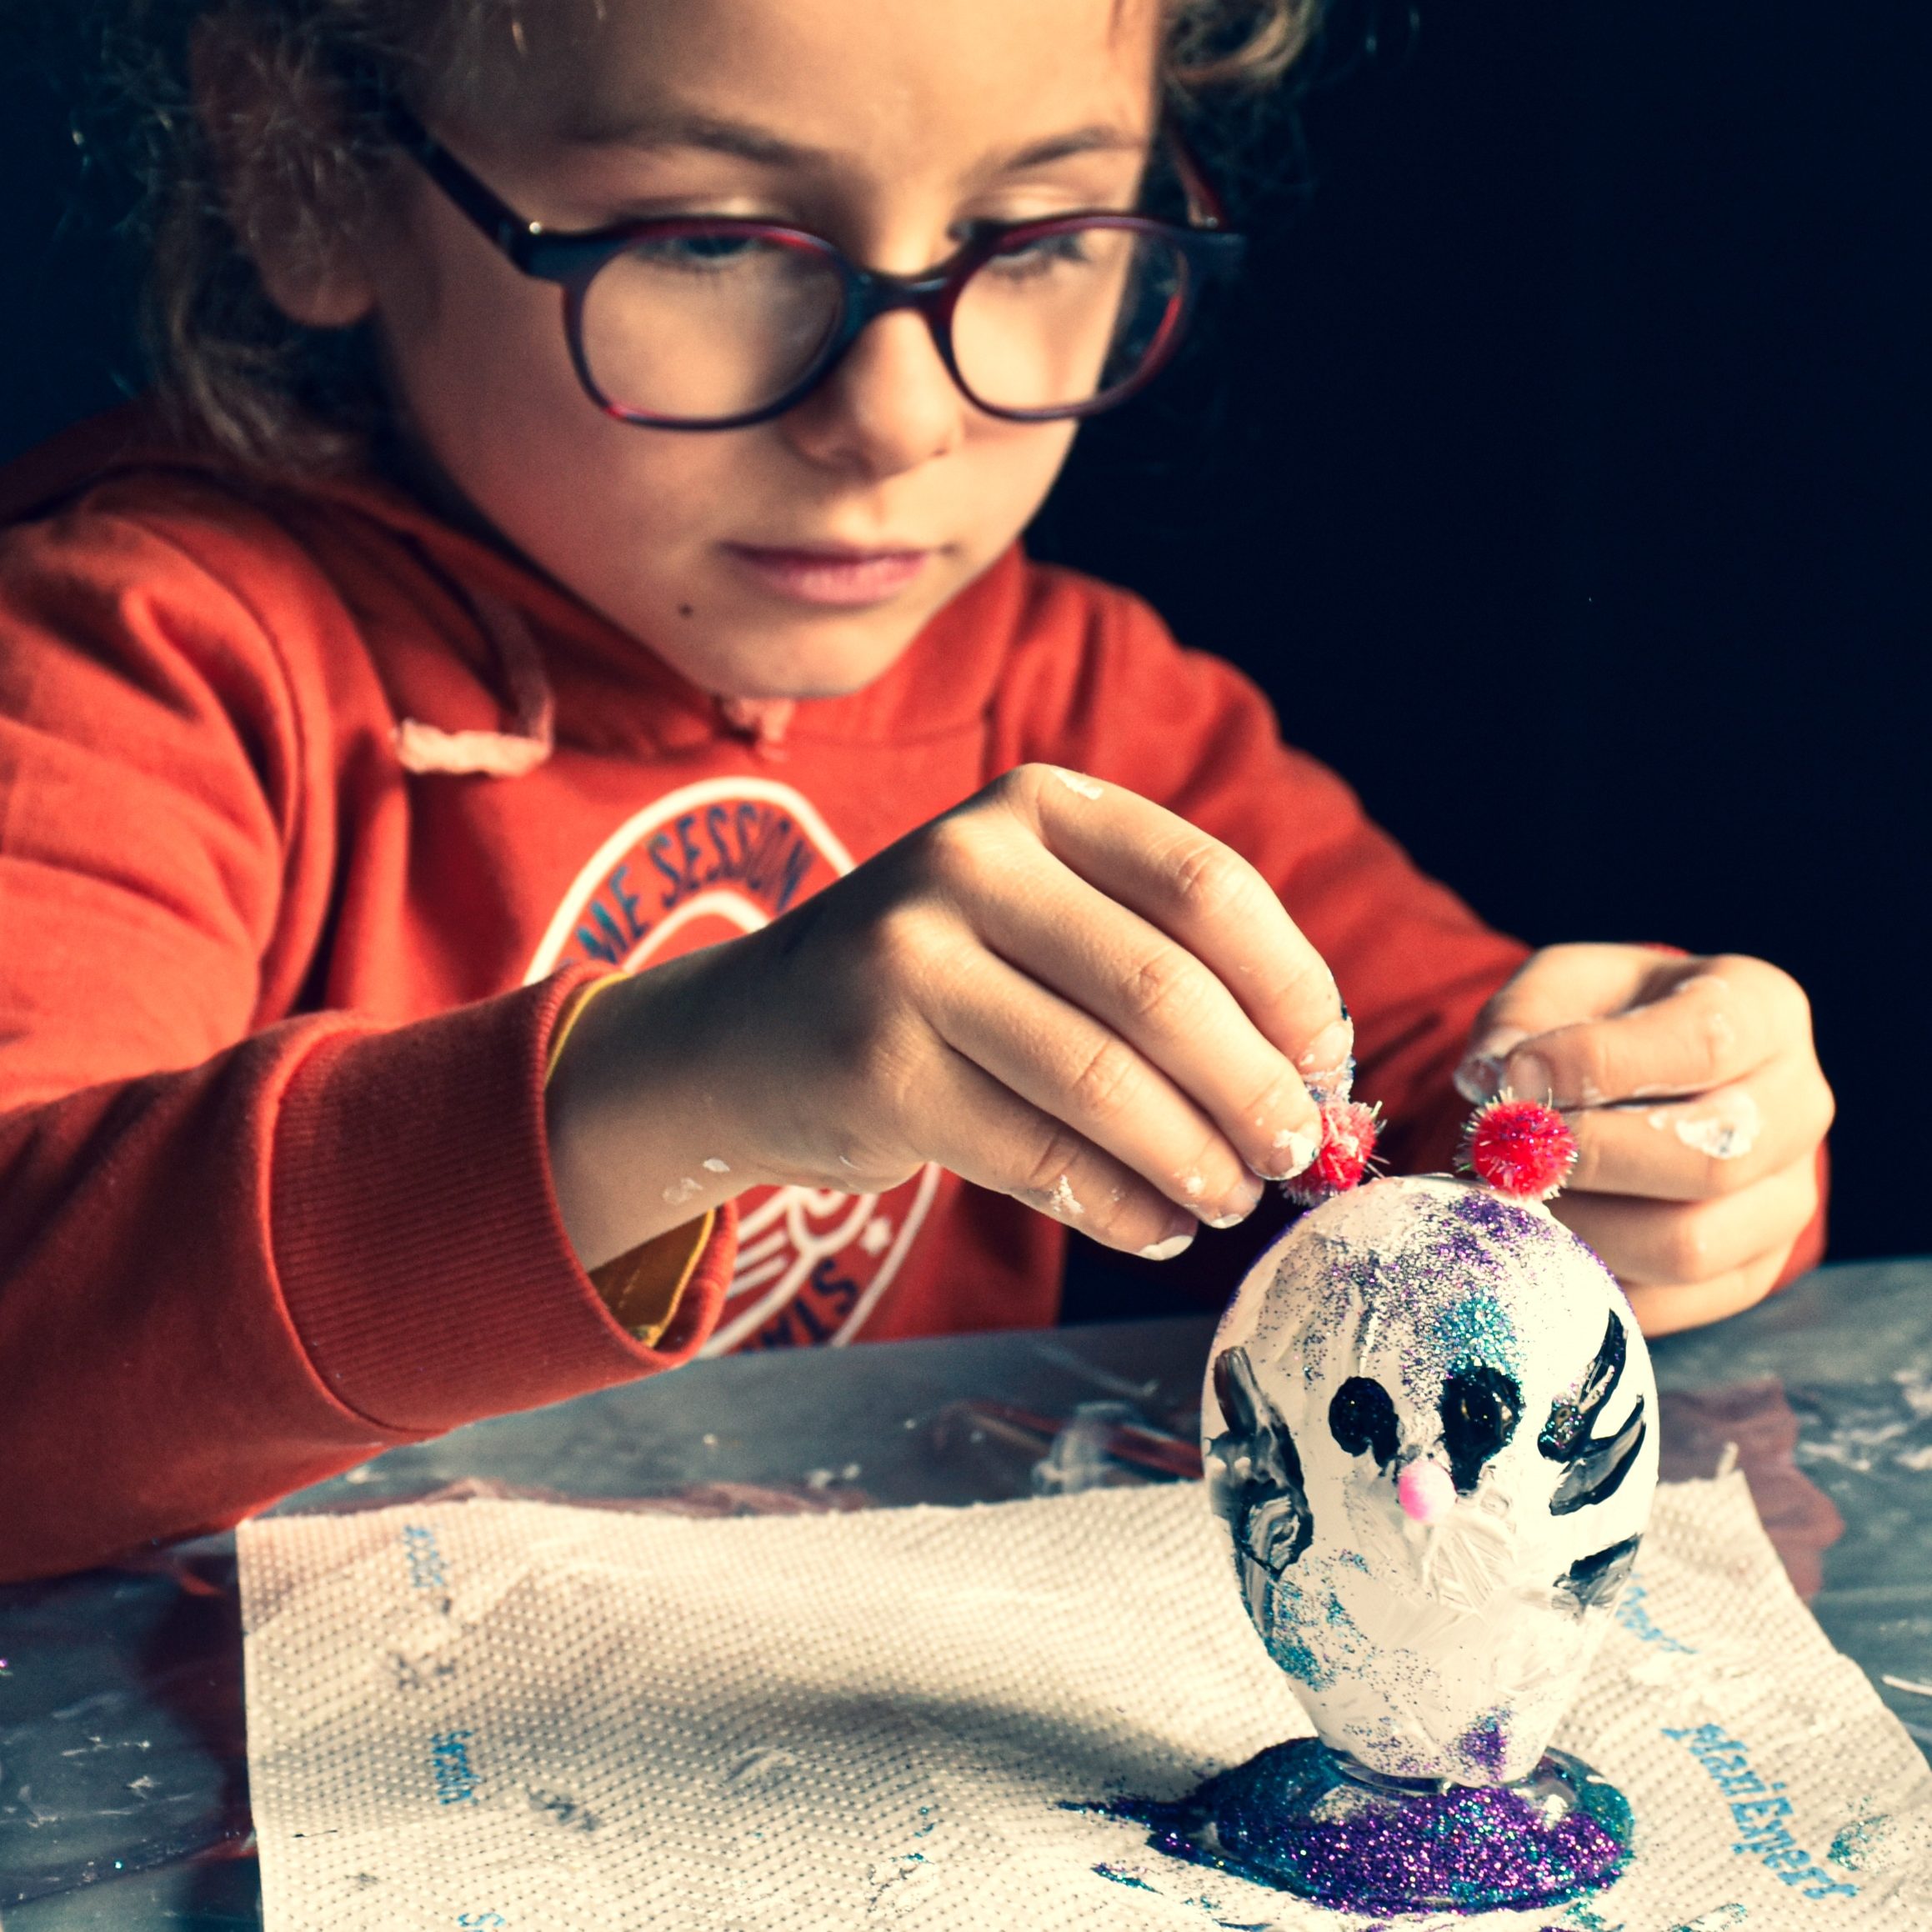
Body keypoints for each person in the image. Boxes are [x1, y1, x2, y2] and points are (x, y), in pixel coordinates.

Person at [0, 0, 1831, 1583]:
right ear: (299, 164)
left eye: (1035, 241)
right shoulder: (149, 665)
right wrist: (694, 1078)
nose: (893, 416)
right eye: (711, 238)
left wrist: (1652, 1140)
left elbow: (1428, 1131)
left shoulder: (1088, 708)